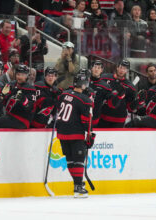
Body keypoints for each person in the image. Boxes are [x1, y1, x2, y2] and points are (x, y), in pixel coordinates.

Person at [56, 70, 94, 198]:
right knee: (78, 160)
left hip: (61, 132)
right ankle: (78, 187)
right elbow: (86, 121)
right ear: (84, 84)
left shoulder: (63, 94)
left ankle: (77, 184)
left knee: (70, 160)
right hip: (75, 133)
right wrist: (90, 136)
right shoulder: (85, 100)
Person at [0, 64, 36, 129]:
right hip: (9, 116)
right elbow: (2, 103)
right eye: (18, 74)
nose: (19, 77)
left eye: (22, 75)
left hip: (22, 120)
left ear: (27, 76)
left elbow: (30, 108)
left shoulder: (30, 89)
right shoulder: (11, 85)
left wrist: (24, 101)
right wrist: (2, 96)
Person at [98, 59, 137, 128]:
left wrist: (138, 102)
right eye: (121, 67)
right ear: (117, 67)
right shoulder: (104, 78)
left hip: (119, 120)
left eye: (125, 68)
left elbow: (130, 107)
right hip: (103, 117)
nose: (122, 70)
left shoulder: (130, 87)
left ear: (127, 71)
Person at [89, 60, 121, 127]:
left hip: (94, 119)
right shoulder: (84, 81)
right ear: (91, 68)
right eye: (95, 67)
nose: (96, 69)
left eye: (99, 68)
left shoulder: (105, 86)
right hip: (80, 117)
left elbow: (112, 104)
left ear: (102, 70)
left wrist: (118, 96)